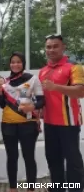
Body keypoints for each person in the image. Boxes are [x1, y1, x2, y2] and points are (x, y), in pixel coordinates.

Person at [39, 34, 84, 192]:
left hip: (69, 123)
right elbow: (41, 98)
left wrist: (56, 87)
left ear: (63, 47)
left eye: (55, 46)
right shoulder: (43, 71)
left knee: (73, 162)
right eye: (48, 47)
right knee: (53, 160)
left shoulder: (74, 67)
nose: (51, 50)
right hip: (49, 123)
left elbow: (80, 91)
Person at [0, 52, 44, 192]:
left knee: (29, 157)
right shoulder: (5, 82)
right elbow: (2, 105)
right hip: (8, 124)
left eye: (18, 62)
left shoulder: (33, 79)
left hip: (27, 124)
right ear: (9, 64)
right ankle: (12, 189)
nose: (15, 64)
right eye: (13, 62)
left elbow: (41, 100)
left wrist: (33, 106)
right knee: (12, 158)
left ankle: (31, 189)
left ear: (23, 64)